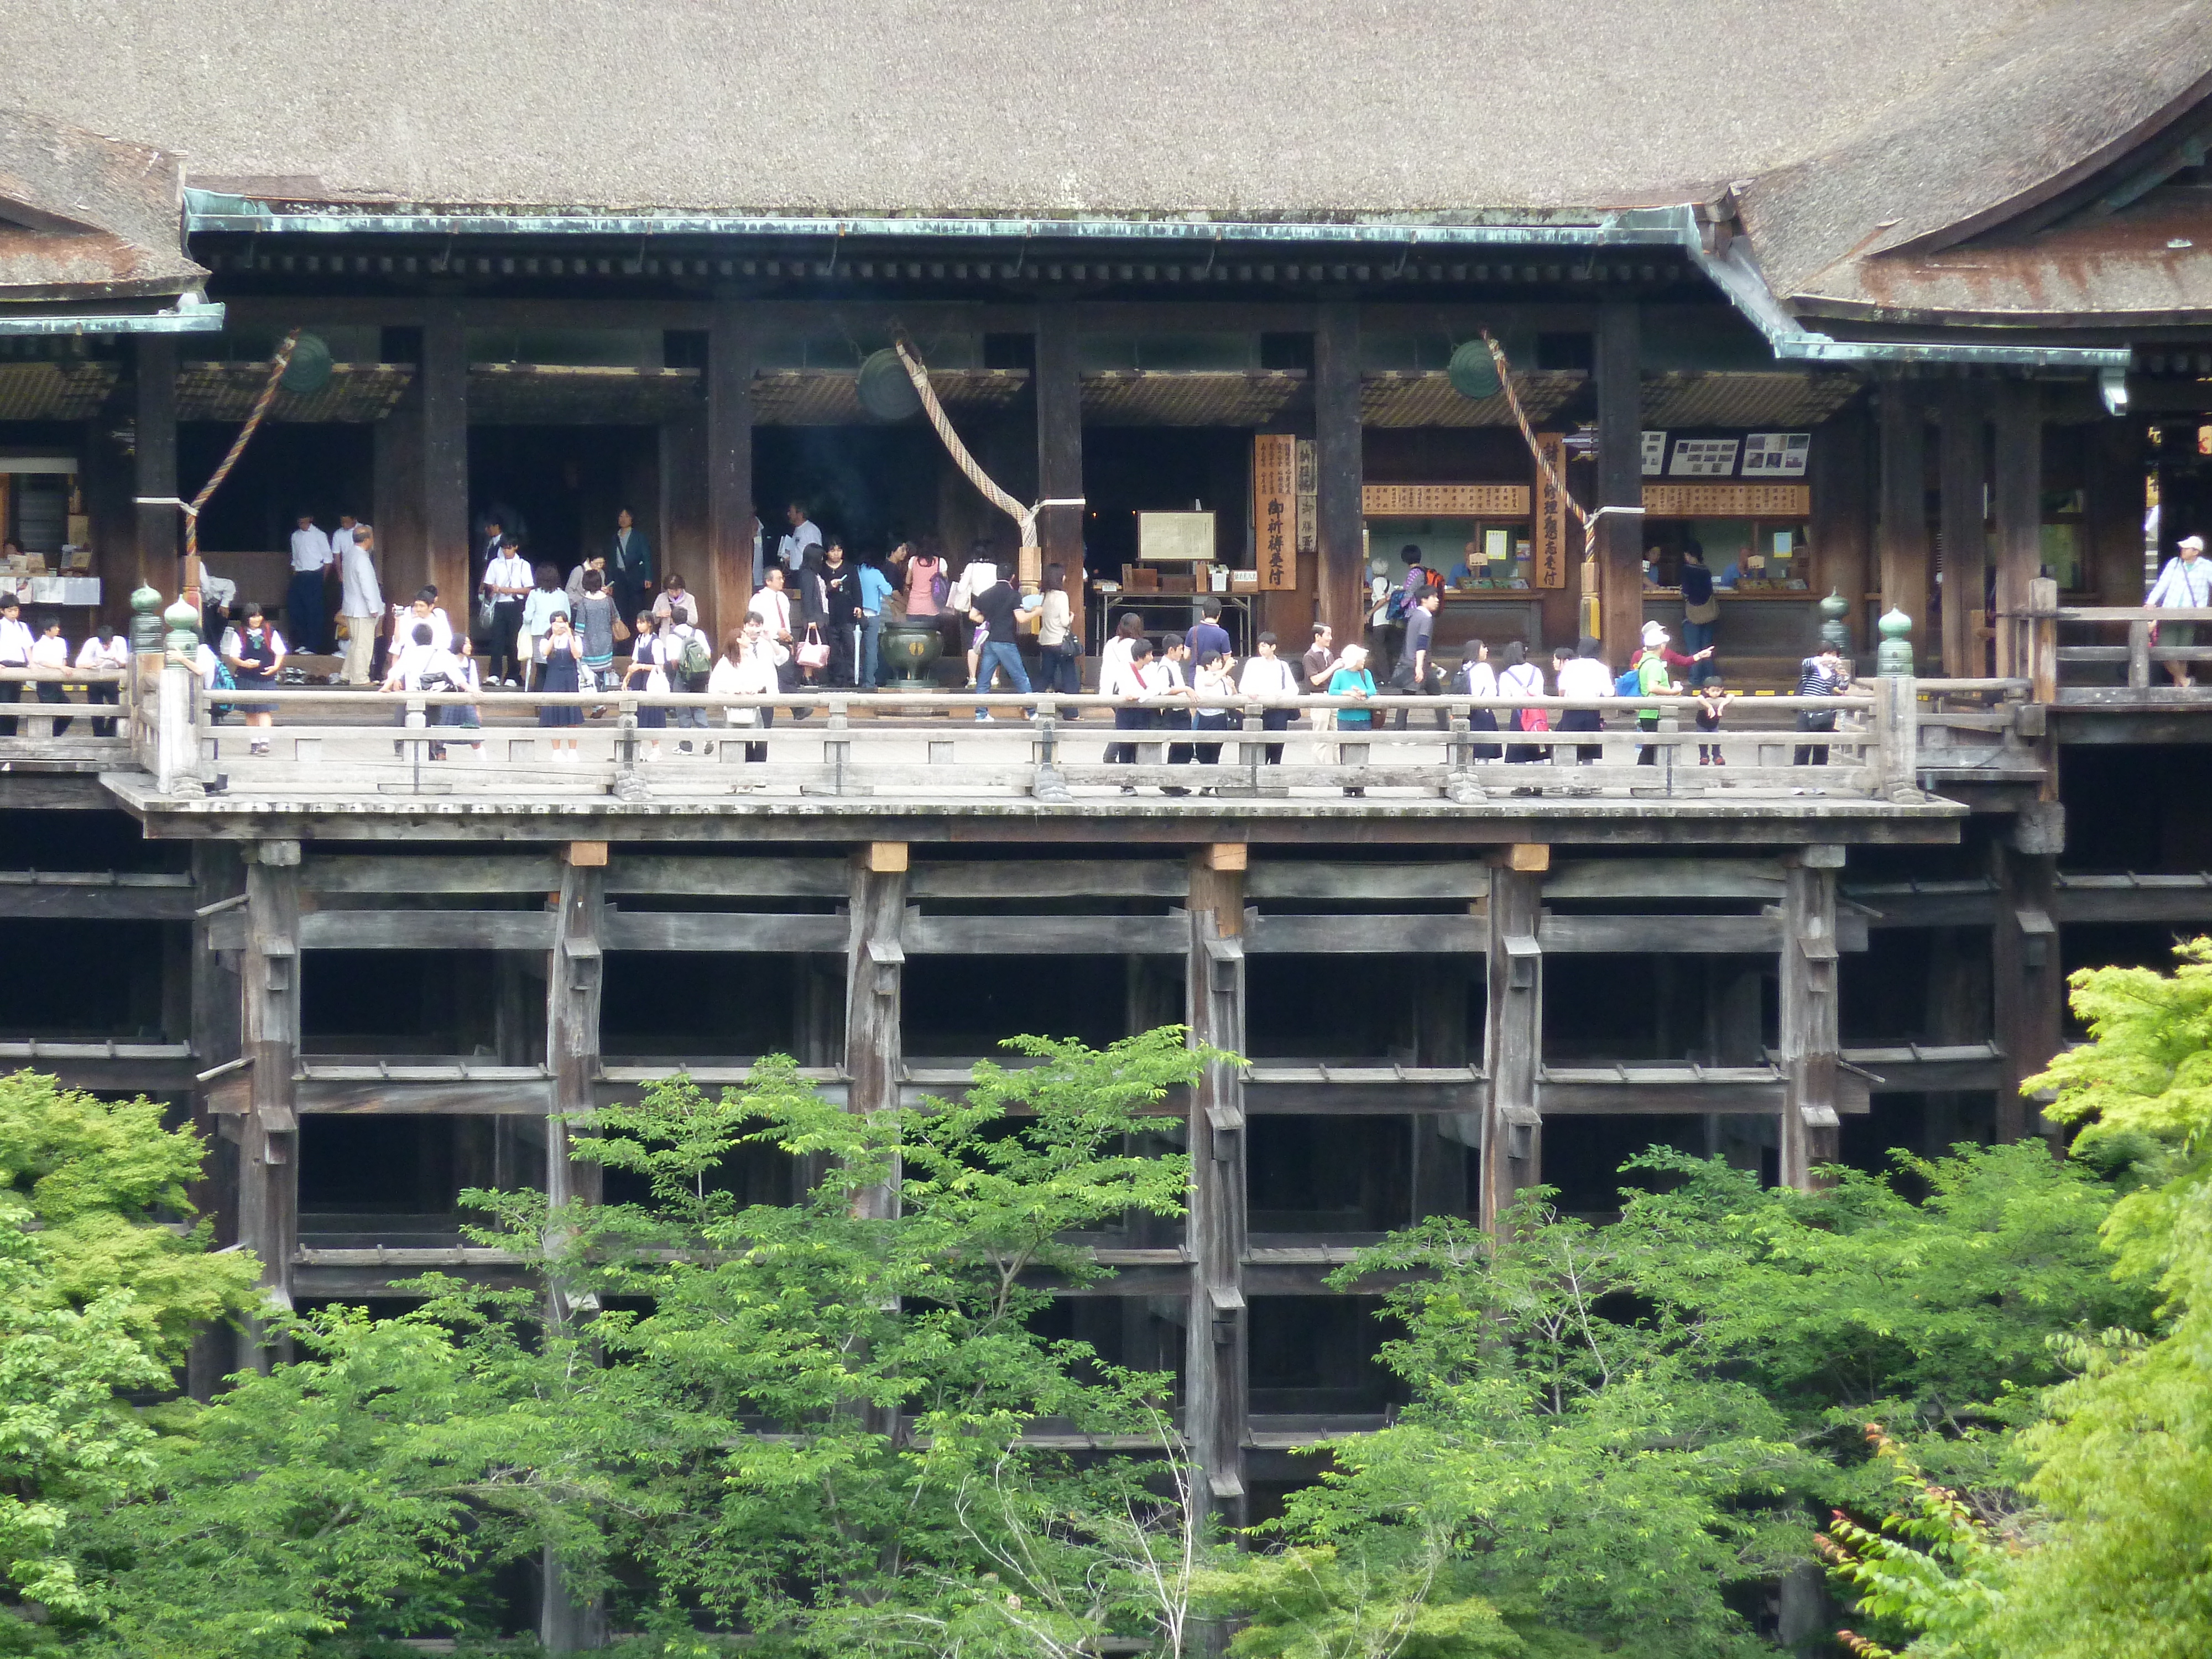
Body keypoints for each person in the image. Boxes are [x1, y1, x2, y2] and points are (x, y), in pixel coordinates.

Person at [708, 619, 787, 767]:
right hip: (733, 709)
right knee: (736, 744)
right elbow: (714, 686)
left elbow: (761, 679)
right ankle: (736, 779)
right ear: (738, 640)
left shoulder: (752, 658)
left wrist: (754, 688)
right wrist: (732, 690)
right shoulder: (726, 662)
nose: (748, 637)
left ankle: (755, 775)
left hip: (752, 706)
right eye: (745, 635)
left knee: (760, 738)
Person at [967, 560, 1034, 719]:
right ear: (1012, 577)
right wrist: (1037, 612)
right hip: (1006, 641)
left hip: (990, 641)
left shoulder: (986, 594)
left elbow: (972, 615)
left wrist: (989, 619)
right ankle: (1032, 712)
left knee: (984, 679)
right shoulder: (1013, 595)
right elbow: (1022, 618)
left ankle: (981, 714)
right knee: (1020, 676)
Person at [220, 603, 287, 755]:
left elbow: (280, 652)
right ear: (247, 618)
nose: (256, 619)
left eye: (258, 615)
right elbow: (233, 656)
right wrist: (244, 664)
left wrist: (275, 667)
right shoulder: (240, 633)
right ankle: (254, 742)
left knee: (265, 710)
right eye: (253, 616)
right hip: (246, 676)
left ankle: (265, 741)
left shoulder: (270, 632)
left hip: (266, 675)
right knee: (250, 712)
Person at [2147, 533, 2212, 686]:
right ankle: (2185, 681)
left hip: (2191, 615)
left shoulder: (2206, 566)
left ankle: (2179, 688)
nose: (2182, 550)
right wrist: (2151, 602)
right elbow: (2163, 584)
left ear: (2195, 552)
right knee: (2164, 651)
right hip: (2170, 613)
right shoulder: (2174, 563)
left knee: (2183, 653)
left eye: (2186, 548)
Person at [1102, 635, 1162, 790]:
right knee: (1125, 745)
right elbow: (1126, 688)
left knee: (1137, 745)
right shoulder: (1124, 668)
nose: (1151, 657)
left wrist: (1140, 696)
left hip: (1143, 711)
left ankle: (1134, 779)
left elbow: (1156, 688)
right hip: (1126, 711)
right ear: (1140, 656)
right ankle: (1126, 784)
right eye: (1148, 654)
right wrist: (1139, 694)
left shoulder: (1152, 668)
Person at [479, 534, 532, 686]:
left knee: (514, 641)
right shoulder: (495, 563)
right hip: (499, 604)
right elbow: (488, 584)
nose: (506, 551)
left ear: (516, 547)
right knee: (497, 641)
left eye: (509, 548)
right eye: (504, 548)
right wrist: (494, 588)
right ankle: (494, 674)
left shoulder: (523, 565)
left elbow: (528, 589)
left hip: (516, 605)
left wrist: (510, 590)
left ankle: (513, 676)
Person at [1238, 631, 1298, 763]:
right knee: (1260, 748)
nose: (1261, 649)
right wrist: (1250, 692)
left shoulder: (1283, 665)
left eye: (1264, 646)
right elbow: (1243, 687)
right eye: (1260, 646)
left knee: (1277, 747)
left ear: (1273, 647)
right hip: (1259, 710)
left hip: (1279, 710)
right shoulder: (1253, 663)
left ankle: (1275, 778)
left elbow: (1294, 689)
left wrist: (1279, 695)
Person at [809, 539, 862, 688]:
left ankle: (852, 679)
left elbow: (857, 588)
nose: (836, 554)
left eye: (839, 550)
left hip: (847, 614)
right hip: (829, 615)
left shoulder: (850, 568)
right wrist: (829, 587)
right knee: (833, 649)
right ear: (827, 553)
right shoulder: (821, 569)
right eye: (833, 550)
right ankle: (836, 679)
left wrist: (859, 606)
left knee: (850, 647)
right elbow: (818, 592)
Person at [1391, 586, 1444, 729]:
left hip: (1412, 662)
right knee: (1438, 699)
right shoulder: (1426, 617)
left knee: (1408, 699)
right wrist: (1420, 667)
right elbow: (1422, 642)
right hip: (1418, 665)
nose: (1437, 600)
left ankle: (1399, 732)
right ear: (1424, 600)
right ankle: (1446, 731)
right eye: (1434, 597)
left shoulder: (1414, 615)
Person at [1327, 643, 1377, 796]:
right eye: (1361, 658)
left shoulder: (1366, 674)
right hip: (1345, 718)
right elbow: (1332, 691)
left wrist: (1363, 692)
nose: (1364, 661)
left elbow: (1372, 690)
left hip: (1364, 718)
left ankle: (1360, 785)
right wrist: (1350, 694)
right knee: (1346, 751)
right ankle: (1347, 786)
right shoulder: (1340, 674)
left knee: (1362, 752)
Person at [535, 611, 585, 760]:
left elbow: (577, 655)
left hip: (570, 677)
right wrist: (554, 635)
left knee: (572, 715)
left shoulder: (575, 638)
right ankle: (556, 751)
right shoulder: (546, 638)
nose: (559, 625)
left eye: (562, 622)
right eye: (556, 623)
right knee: (553, 714)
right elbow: (545, 652)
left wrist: (569, 636)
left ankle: (573, 751)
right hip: (553, 676)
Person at [1793, 640, 1851, 768]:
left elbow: (1843, 686)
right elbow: (1808, 662)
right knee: (1802, 749)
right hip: (1806, 714)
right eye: (1829, 653)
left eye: (1835, 654)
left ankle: (1818, 785)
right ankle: (1798, 783)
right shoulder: (1811, 668)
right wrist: (1827, 660)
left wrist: (1844, 677)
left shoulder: (1833, 673)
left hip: (1825, 715)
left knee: (1821, 751)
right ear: (1821, 654)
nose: (1832, 657)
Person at [1554, 636, 1612, 764]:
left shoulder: (1570, 666)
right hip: (1592, 712)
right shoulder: (1602, 668)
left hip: (1571, 710)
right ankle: (1588, 782)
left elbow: (1562, 690)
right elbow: (1609, 693)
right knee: (1588, 752)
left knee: (1570, 748)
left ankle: (1571, 780)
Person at [664, 606, 714, 748]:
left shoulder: (672, 637)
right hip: (700, 676)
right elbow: (708, 655)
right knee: (699, 707)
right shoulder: (698, 633)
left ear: (672, 620)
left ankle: (686, 746)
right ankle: (707, 737)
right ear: (687, 618)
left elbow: (673, 661)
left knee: (683, 710)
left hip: (682, 676)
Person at [625, 609, 671, 761]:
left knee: (652, 714)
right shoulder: (639, 640)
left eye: (642, 622)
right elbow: (635, 661)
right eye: (638, 622)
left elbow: (660, 666)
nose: (639, 625)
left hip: (651, 680)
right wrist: (627, 678)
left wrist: (641, 667)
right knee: (638, 713)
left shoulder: (656, 642)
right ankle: (639, 749)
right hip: (638, 680)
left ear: (650, 624)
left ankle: (656, 749)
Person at [286, 513, 332, 653]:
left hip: (315, 574)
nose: (303, 526)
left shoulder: (320, 535)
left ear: (311, 520)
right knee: (295, 608)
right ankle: (302, 642)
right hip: (300, 574)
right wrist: (295, 575)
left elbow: (328, 559)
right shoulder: (295, 536)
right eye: (300, 523)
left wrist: (321, 578)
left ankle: (313, 646)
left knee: (314, 612)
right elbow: (295, 559)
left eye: (305, 522)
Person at [519, 564, 570, 690]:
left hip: (539, 635)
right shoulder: (563, 595)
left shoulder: (534, 594)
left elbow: (528, 618)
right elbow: (568, 616)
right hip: (559, 635)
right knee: (556, 668)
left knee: (541, 669)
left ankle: (539, 705)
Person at [1496, 641, 1547, 765]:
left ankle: (1523, 784)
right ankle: (1540, 783)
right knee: (1538, 752)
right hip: (1536, 713)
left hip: (1518, 714)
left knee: (1519, 753)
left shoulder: (1506, 675)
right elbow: (1540, 692)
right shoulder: (1536, 671)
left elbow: (1504, 698)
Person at [572, 569, 619, 697]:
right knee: (602, 672)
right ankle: (602, 695)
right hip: (606, 641)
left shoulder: (583, 603)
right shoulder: (609, 600)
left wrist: (576, 645)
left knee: (588, 673)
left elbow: (580, 629)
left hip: (589, 643)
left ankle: (595, 701)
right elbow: (616, 618)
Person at [1036, 563, 1080, 700]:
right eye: (1063, 574)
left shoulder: (1043, 595)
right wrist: (1071, 616)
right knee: (1070, 678)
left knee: (1045, 676)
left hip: (1045, 641)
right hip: (1060, 643)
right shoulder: (1062, 596)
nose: (1065, 577)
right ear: (1059, 577)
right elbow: (1065, 622)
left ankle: (1028, 705)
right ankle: (1072, 712)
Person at [75, 623, 127, 737]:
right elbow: (79, 664)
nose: (106, 647)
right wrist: (94, 663)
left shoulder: (119, 641)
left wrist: (116, 659)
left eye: (108, 644)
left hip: (112, 678)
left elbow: (125, 662)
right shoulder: (92, 643)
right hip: (95, 678)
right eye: (103, 644)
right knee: (96, 709)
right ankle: (98, 735)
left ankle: (110, 733)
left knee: (117, 706)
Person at [1679, 542, 1719, 686]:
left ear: (1690, 555)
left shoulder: (1687, 570)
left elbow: (1686, 592)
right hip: (1708, 613)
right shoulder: (1706, 570)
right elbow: (1709, 590)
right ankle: (1711, 680)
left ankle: (1695, 679)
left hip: (1692, 615)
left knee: (1694, 648)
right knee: (1707, 647)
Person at [1454, 641, 1501, 760]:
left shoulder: (1464, 668)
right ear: (1476, 650)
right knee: (1484, 753)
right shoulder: (1484, 667)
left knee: (1467, 753)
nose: (1486, 650)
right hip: (1482, 712)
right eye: (1483, 647)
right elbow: (1492, 692)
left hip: (1465, 712)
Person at [856, 550, 896, 691]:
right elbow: (888, 590)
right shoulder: (876, 574)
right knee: (871, 649)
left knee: (853, 648)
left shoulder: (856, 571)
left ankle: (854, 678)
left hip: (856, 614)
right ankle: (869, 682)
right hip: (872, 615)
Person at [606, 507, 653, 620]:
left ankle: (637, 634)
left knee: (637, 607)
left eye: (627, 516)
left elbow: (646, 557)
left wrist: (648, 577)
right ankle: (625, 636)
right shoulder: (614, 538)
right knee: (621, 607)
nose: (623, 519)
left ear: (632, 519)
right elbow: (612, 562)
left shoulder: (639, 537)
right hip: (619, 576)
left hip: (635, 575)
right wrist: (610, 583)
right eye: (621, 516)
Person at [1302, 622, 1339, 762]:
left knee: (1338, 736)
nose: (1330, 638)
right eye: (1328, 635)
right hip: (1319, 697)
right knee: (1320, 736)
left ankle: (1339, 767)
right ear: (1318, 636)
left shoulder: (1329, 654)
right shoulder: (1309, 656)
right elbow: (1316, 680)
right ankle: (1319, 769)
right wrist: (1334, 667)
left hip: (1333, 696)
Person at [1190, 649, 1235, 765]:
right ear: (1208, 664)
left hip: (1220, 718)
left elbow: (1232, 696)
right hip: (1204, 718)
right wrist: (1225, 669)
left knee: (1215, 754)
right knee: (1202, 753)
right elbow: (1210, 682)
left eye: (1221, 661)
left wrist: (1233, 686)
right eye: (1217, 661)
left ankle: (1213, 782)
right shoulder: (1201, 676)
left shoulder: (1223, 678)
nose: (1220, 664)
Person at [28, 618, 71, 737]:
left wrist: (63, 668)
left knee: (67, 711)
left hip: (58, 682)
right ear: (47, 630)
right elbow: (41, 661)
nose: (58, 629)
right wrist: (59, 668)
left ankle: (53, 735)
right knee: (47, 711)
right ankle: (44, 737)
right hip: (45, 683)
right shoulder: (39, 645)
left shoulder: (61, 642)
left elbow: (64, 658)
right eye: (55, 627)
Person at [0, 593, 31, 737]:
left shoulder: (23, 627)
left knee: (15, 703)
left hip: (19, 667)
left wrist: (31, 663)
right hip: (3, 667)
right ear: (3, 611)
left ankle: (12, 738)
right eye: (10, 610)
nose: (13, 613)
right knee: (4, 703)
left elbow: (27, 647)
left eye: (16, 610)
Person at [1694, 676, 1734, 765]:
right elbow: (1700, 698)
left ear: (1722, 690)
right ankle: (1704, 757)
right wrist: (1709, 707)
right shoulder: (1704, 695)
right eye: (1713, 691)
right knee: (1703, 741)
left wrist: (1721, 705)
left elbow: (1731, 696)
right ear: (1707, 690)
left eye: (1718, 691)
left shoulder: (1721, 695)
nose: (1716, 693)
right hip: (1702, 723)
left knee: (1716, 740)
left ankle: (1717, 756)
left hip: (1714, 724)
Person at [778, 500, 823, 577]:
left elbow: (817, 554)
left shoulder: (811, 530)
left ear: (800, 514)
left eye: (791, 512)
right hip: (795, 572)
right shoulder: (797, 529)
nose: (788, 514)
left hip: (806, 573)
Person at [650, 571, 701, 638]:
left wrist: (679, 616)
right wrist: (658, 615)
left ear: (681, 588)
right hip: (665, 638)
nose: (674, 594)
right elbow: (652, 620)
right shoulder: (661, 598)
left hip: (684, 638)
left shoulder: (689, 598)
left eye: (676, 591)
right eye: (671, 591)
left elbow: (694, 620)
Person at [1189, 596, 1233, 665]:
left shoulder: (1193, 631)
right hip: (1215, 674)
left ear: (1203, 613)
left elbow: (1186, 656)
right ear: (1219, 614)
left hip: (1195, 673)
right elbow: (1227, 660)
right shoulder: (1223, 634)